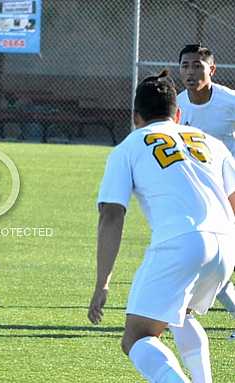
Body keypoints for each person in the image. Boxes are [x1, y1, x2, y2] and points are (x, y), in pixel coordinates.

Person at [88, 70, 235, 382]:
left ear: (135, 116)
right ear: (178, 113)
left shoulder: (129, 146)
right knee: (181, 315)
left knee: (137, 338)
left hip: (182, 242)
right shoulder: (210, 142)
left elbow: (111, 215)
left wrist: (102, 283)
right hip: (225, 243)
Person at [178, 43, 235, 340]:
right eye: (185, 65)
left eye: (197, 66)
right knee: (211, 258)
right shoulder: (176, 106)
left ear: (211, 70)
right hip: (201, 197)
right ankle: (181, 310)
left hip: (231, 191)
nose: (191, 71)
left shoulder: (229, 102)